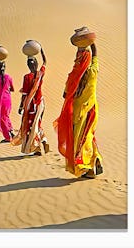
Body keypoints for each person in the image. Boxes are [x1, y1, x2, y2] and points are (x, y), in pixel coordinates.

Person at [54, 42, 103, 178]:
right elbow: (95, 58)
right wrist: (92, 45)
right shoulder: (92, 71)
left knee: (80, 139)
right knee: (89, 136)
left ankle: (85, 166)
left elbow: (65, 94)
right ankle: (95, 159)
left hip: (80, 113)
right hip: (92, 109)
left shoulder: (74, 76)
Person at [12, 47, 49, 156]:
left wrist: (20, 106)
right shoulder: (40, 74)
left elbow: (25, 94)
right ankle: (41, 142)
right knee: (37, 123)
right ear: (36, 65)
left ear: (28, 66)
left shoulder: (27, 77)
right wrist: (41, 50)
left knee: (31, 126)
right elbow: (45, 62)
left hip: (31, 106)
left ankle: (39, 144)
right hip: (41, 103)